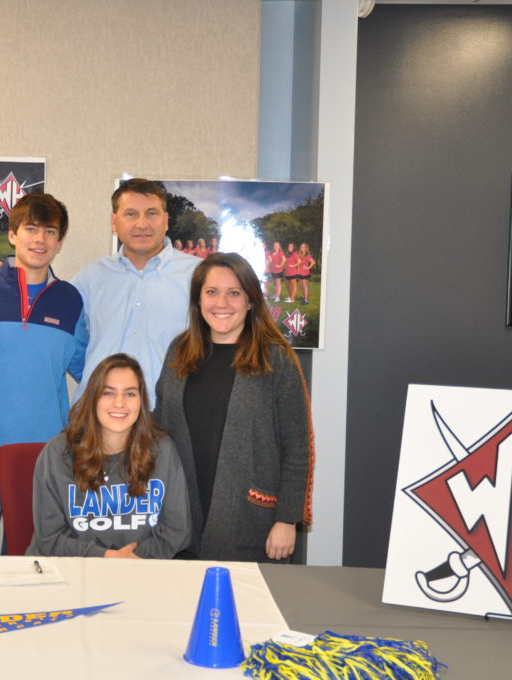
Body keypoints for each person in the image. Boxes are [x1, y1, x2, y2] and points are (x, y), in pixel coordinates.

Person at [0, 192, 87, 554]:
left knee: (32, 579)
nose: (39, 240)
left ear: (59, 242)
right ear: (12, 235)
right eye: (31, 229)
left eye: (50, 231)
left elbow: (89, 370)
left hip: (43, 466)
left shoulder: (71, 301)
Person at [154, 252, 313, 563]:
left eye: (234, 293)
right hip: (181, 520)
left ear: (251, 300)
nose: (221, 303)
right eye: (211, 292)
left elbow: (297, 447)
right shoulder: (179, 351)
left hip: (253, 523)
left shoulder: (276, 358)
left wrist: (286, 520)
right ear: (198, 301)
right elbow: (160, 424)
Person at [27, 353, 190, 558]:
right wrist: (105, 557)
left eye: (130, 393)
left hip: (142, 567)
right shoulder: (58, 453)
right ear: (93, 398)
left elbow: (176, 531)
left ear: (141, 401)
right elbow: (49, 539)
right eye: (108, 393)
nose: (119, 403)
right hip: (72, 570)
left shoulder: (162, 450)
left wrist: (129, 560)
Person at [72, 178, 200, 405]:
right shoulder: (91, 276)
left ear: (166, 220)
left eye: (151, 213)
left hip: (167, 418)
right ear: (114, 221)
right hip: (97, 416)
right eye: (131, 214)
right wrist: (4, 275)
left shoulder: (198, 276)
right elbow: (55, 323)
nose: (142, 224)